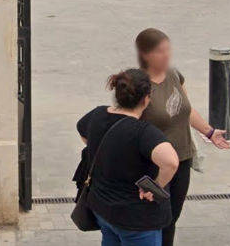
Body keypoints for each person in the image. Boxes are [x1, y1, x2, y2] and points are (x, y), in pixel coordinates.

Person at [135, 28, 230, 246]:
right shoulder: (138, 83)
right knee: (156, 218)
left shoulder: (174, 74)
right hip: (154, 164)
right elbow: (129, 121)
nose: (167, 55)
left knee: (171, 218)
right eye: (160, 51)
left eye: (168, 49)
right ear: (145, 54)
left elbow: (186, 109)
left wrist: (209, 131)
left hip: (182, 159)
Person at [77, 68, 180, 246]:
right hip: (136, 220)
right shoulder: (142, 132)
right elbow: (170, 162)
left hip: (103, 210)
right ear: (146, 98)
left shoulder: (97, 114)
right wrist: (156, 187)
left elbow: (82, 130)